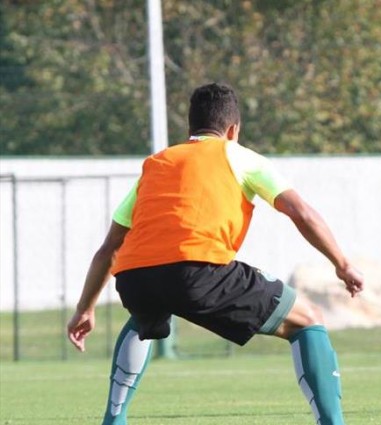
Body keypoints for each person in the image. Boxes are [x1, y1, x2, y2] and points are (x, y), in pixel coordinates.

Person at [66, 82, 364, 425]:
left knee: (144, 318)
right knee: (307, 318)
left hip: (134, 278)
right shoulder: (239, 156)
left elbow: (109, 248)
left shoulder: (157, 163)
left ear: (190, 128)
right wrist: (342, 264)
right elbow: (302, 213)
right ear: (233, 130)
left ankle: (113, 420)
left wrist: (85, 308)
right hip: (198, 270)